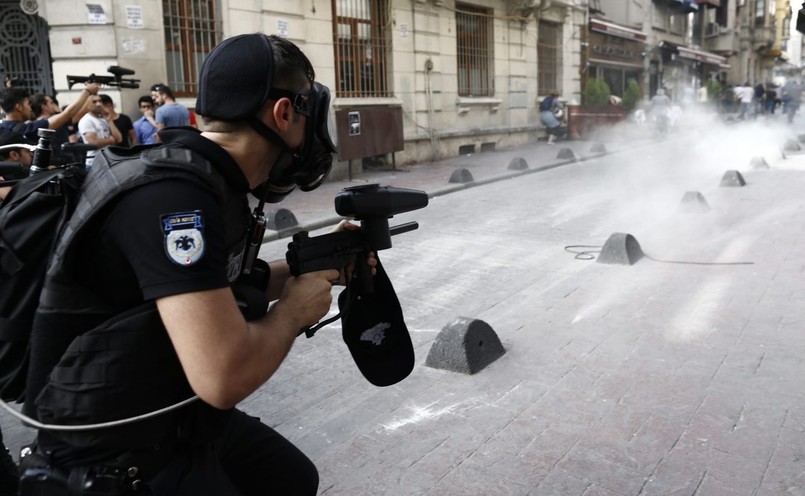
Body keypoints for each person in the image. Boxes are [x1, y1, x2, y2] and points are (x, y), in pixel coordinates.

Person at [21, 33, 362, 495]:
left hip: (172, 416)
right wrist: (294, 312)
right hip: (111, 456)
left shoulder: (209, 180)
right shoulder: (173, 196)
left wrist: (320, 260)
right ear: (284, 115)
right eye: (309, 116)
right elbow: (224, 375)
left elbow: (215, 291)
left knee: (291, 478)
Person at [0, 82, 100, 144]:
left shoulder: (2, 129)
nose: (30, 109)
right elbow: (67, 114)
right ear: (19, 107)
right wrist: (87, 91)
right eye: (28, 104)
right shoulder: (27, 130)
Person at [77, 93, 122, 168]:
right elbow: (93, 142)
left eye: (100, 101)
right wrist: (110, 140)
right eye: (94, 102)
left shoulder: (103, 119)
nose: (98, 104)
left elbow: (118, 139)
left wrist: (109, 120)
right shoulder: (86, 120)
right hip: (94, 163)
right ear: (87, 104)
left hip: (109, 161)